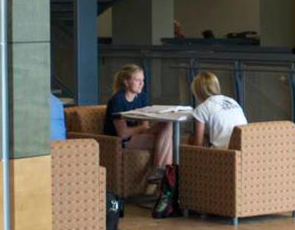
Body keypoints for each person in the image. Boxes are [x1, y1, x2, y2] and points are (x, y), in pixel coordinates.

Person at [104, 64, 173, 193]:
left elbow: (145, 126)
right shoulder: (118, 100)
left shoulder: (142, 97)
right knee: (167, 143)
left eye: (143, 80)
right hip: (120, 142)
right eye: (137, 80)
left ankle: (160, 172)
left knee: (167, 125)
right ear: (126, 82)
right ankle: (165, 180)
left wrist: (143, 128)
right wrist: (142, 127)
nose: (141, 84)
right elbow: (123, 133)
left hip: (136, 137)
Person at [188, 71, 248, 148]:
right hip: (244, 146)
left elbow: (198, 144)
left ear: (197, 91)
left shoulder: (201, 109)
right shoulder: (232, 101)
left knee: (191, 139)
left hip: (224, 152)